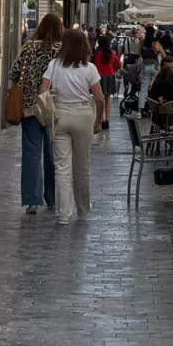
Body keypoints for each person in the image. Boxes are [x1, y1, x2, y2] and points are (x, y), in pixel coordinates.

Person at [40, 29, 105, 225]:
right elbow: (100, 99)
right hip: (83, 115)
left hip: (59, 115)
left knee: (62, 167)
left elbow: (43, 91)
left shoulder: (54, 65)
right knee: (82, 165)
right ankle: (83, 208)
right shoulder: (90, 68)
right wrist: (98, 121)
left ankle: (63, 214)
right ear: (84, 46)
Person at [8, 13, 64, 214]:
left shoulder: (29, 47)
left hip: (31, 107)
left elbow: (14, 72)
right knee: (53, 154)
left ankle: (32, 200)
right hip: (55, 108)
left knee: (31, 152)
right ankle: (52, 197)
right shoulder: (62, 50)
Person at [92, 34, 121, 130]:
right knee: (108, 98)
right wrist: (113, 70)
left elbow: (95, 66)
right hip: (110, 77)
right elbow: (119, 64)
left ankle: (102, 119)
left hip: (99, 77)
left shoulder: (97, 54)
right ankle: (107, 119)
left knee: (99, 99)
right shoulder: (112, 53)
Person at [138, 25, 164, 116]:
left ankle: (140, 110)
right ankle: (154, 108)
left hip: (145, 66)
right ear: (154, 33)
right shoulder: (156, 43)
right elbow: (164, 56)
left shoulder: (142, 43)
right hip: (155, 66)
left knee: (143, 89)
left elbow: (140, 55)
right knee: (155, 88)